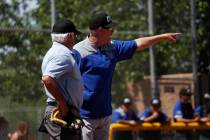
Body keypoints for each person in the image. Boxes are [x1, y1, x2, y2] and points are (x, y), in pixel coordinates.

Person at [73, 12, 181, 140]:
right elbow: (67, 82)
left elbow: (138, 43)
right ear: (100, 31)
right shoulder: (78, 51)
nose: (113, 31)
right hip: (84, 116)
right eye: (110, 28)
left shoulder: (112, 47)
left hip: (104, 115)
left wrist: (162, 37)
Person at [39, 19, 83, 140]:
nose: (75, 38)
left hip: (63, 110)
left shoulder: (54, 51)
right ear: (69, 36)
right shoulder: (62, 54)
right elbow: (47, 79)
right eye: (74, 35)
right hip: (62, 110)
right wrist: (63, 105)